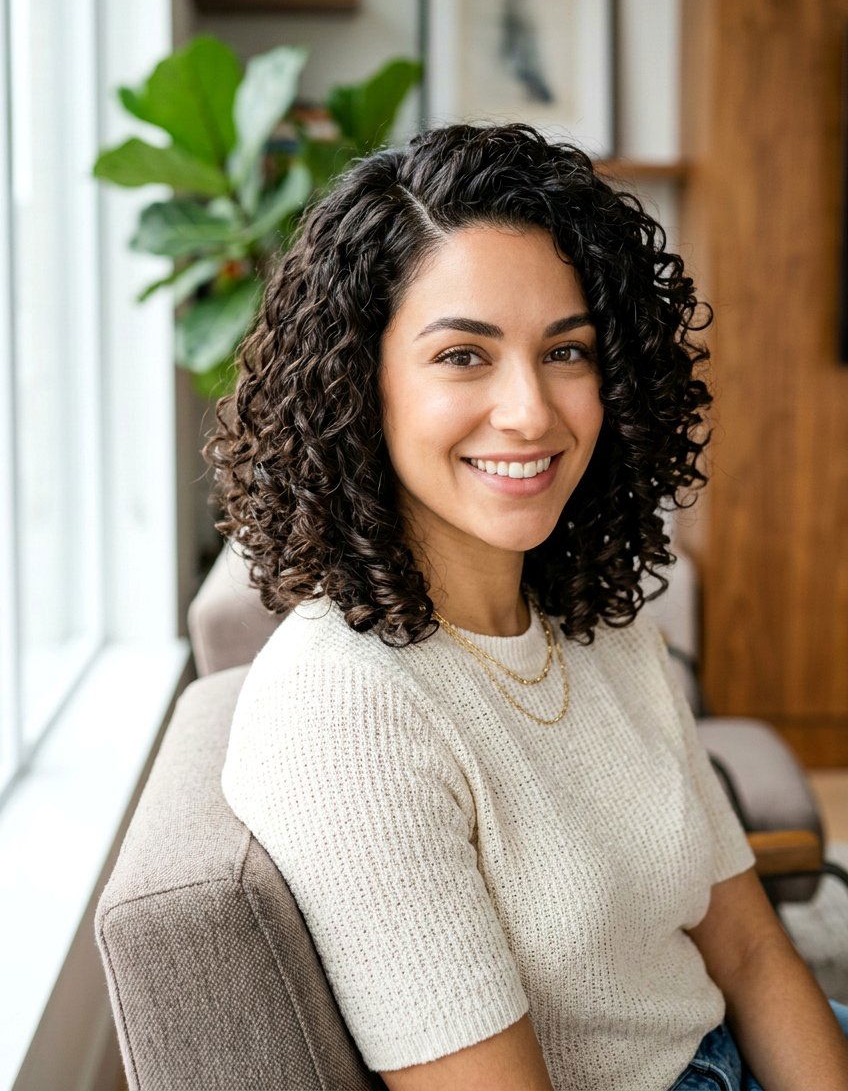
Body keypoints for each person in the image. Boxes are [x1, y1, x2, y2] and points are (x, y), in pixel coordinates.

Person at [205, 122, 848, 1091]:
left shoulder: (595, 622)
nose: (530, 412)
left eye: (567, 351)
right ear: (357, 382)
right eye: (463, 355)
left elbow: (750, 954)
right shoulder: (345, 707)